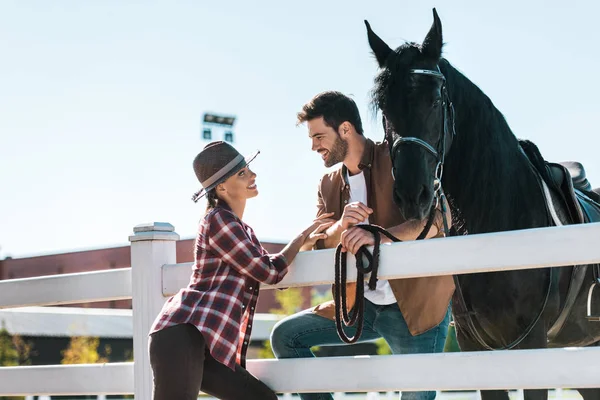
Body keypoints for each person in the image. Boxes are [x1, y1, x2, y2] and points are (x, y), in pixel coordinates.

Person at [270, 91, 455, 400]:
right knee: (286, 337)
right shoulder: (328, 184)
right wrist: (342, 225)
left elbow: (439, 217)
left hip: (414, 306)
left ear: (345, 129)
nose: (314, 146)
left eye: (318, 136)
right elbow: (319, 242)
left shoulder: (398, 157)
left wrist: (379, 235)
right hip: (358, 306)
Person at [148, 141, 334, 400]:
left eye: (248, 169)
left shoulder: (241, 229)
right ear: (221, 187)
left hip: (205, 344)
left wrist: (300, 247)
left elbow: (270, 271)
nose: (253, 175)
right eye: (242, 173)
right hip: (182, 334)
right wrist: (300, 238)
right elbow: (268, 271)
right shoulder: (218, 220)